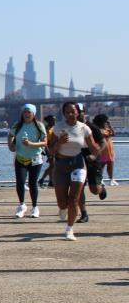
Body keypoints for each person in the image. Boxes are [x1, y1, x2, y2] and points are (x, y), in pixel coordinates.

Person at [49, 101, 103, 240]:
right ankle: (63, 208)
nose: (70, 114)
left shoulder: (84, 128)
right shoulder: (58, 127)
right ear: (63, 114)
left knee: (74, 198)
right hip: (61, 165)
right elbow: (51, 150)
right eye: (67, 112)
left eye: (73, 111)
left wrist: (95, 155)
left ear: (78, 112)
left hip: (78, 164)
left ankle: (69, 229)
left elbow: (93, 146)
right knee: (62, 202)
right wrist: (59, 143)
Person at [8, 104, 48, 218]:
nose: (26, 114)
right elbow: (10, 135)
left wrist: (31, 144)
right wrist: (10, 145)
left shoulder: (39, 125)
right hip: (20, 158)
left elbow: (45, 142)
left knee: (32, 183)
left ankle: (35, 207)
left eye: (29, 112)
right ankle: (22, 205)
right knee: (20, 182)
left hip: (35, 158)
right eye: (25, 112)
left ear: (33, 114)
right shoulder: (17, 125)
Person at [76, 106, 108, 223]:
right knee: (78, 187)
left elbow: (103, 143)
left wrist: (94, 155)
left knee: (94, 190)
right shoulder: (70, 127)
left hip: (92, 159)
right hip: (77, 159)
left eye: (79, 112)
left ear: (83, 113)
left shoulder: (92, 127)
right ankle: (84, 214)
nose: (76, 114)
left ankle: (101, 188)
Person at [94, 114, 117, 186]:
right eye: (105, 122)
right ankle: (100, 179)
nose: (106, 123)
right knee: (101, 167)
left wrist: (110, 126)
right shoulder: (98, 130)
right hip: (103, 152)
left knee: (110, 166)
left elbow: (113, 134)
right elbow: (104, 136)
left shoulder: (107, 129)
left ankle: (111, 179)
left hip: (110, 152)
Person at [38, 114, 57, 188]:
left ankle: (51, 181)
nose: (54, 121)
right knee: (53, 165)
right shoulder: (46, 129)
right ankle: (42, 179)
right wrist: (48, 152)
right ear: (49, 121)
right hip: (48, 148)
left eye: (55, 120)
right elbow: (45, 142)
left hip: (55, 148)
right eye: (53, 120)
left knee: (52, 166)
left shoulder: (54, 128)